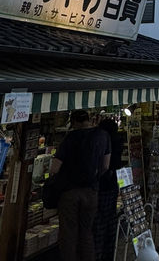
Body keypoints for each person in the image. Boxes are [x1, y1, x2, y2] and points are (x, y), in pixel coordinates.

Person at [50, 110, 111, 261]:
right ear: (89, 119)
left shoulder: (70, 138)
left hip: (70, 192)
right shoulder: (103, 136)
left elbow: (54, 169)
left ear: (75, 122)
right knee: (86, 232)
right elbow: (105, 166)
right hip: (91, 192)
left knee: (68, 233)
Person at [94, 119, 123, 261]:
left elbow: (104, 166)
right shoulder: (118, 141)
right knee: (111, 218)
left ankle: (98, 253)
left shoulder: (104, 142)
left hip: (103, 185)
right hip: (113, 184)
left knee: (99, 221)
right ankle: (109, 252)